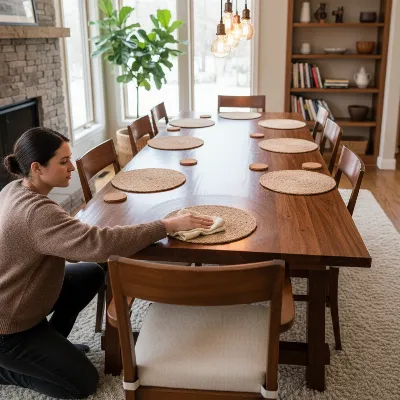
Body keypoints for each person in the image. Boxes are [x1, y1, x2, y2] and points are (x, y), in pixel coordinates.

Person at [0, 127, 213, 399]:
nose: (71, 169)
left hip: (21, 299)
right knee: (81, 384)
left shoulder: (14, 187)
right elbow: (100, 244)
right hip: (10, 327)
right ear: (37, 168)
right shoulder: (37, 213)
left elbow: (75, 249)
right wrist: (165, 226)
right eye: (63, 162)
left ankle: (53, 343)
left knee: (88, 273)